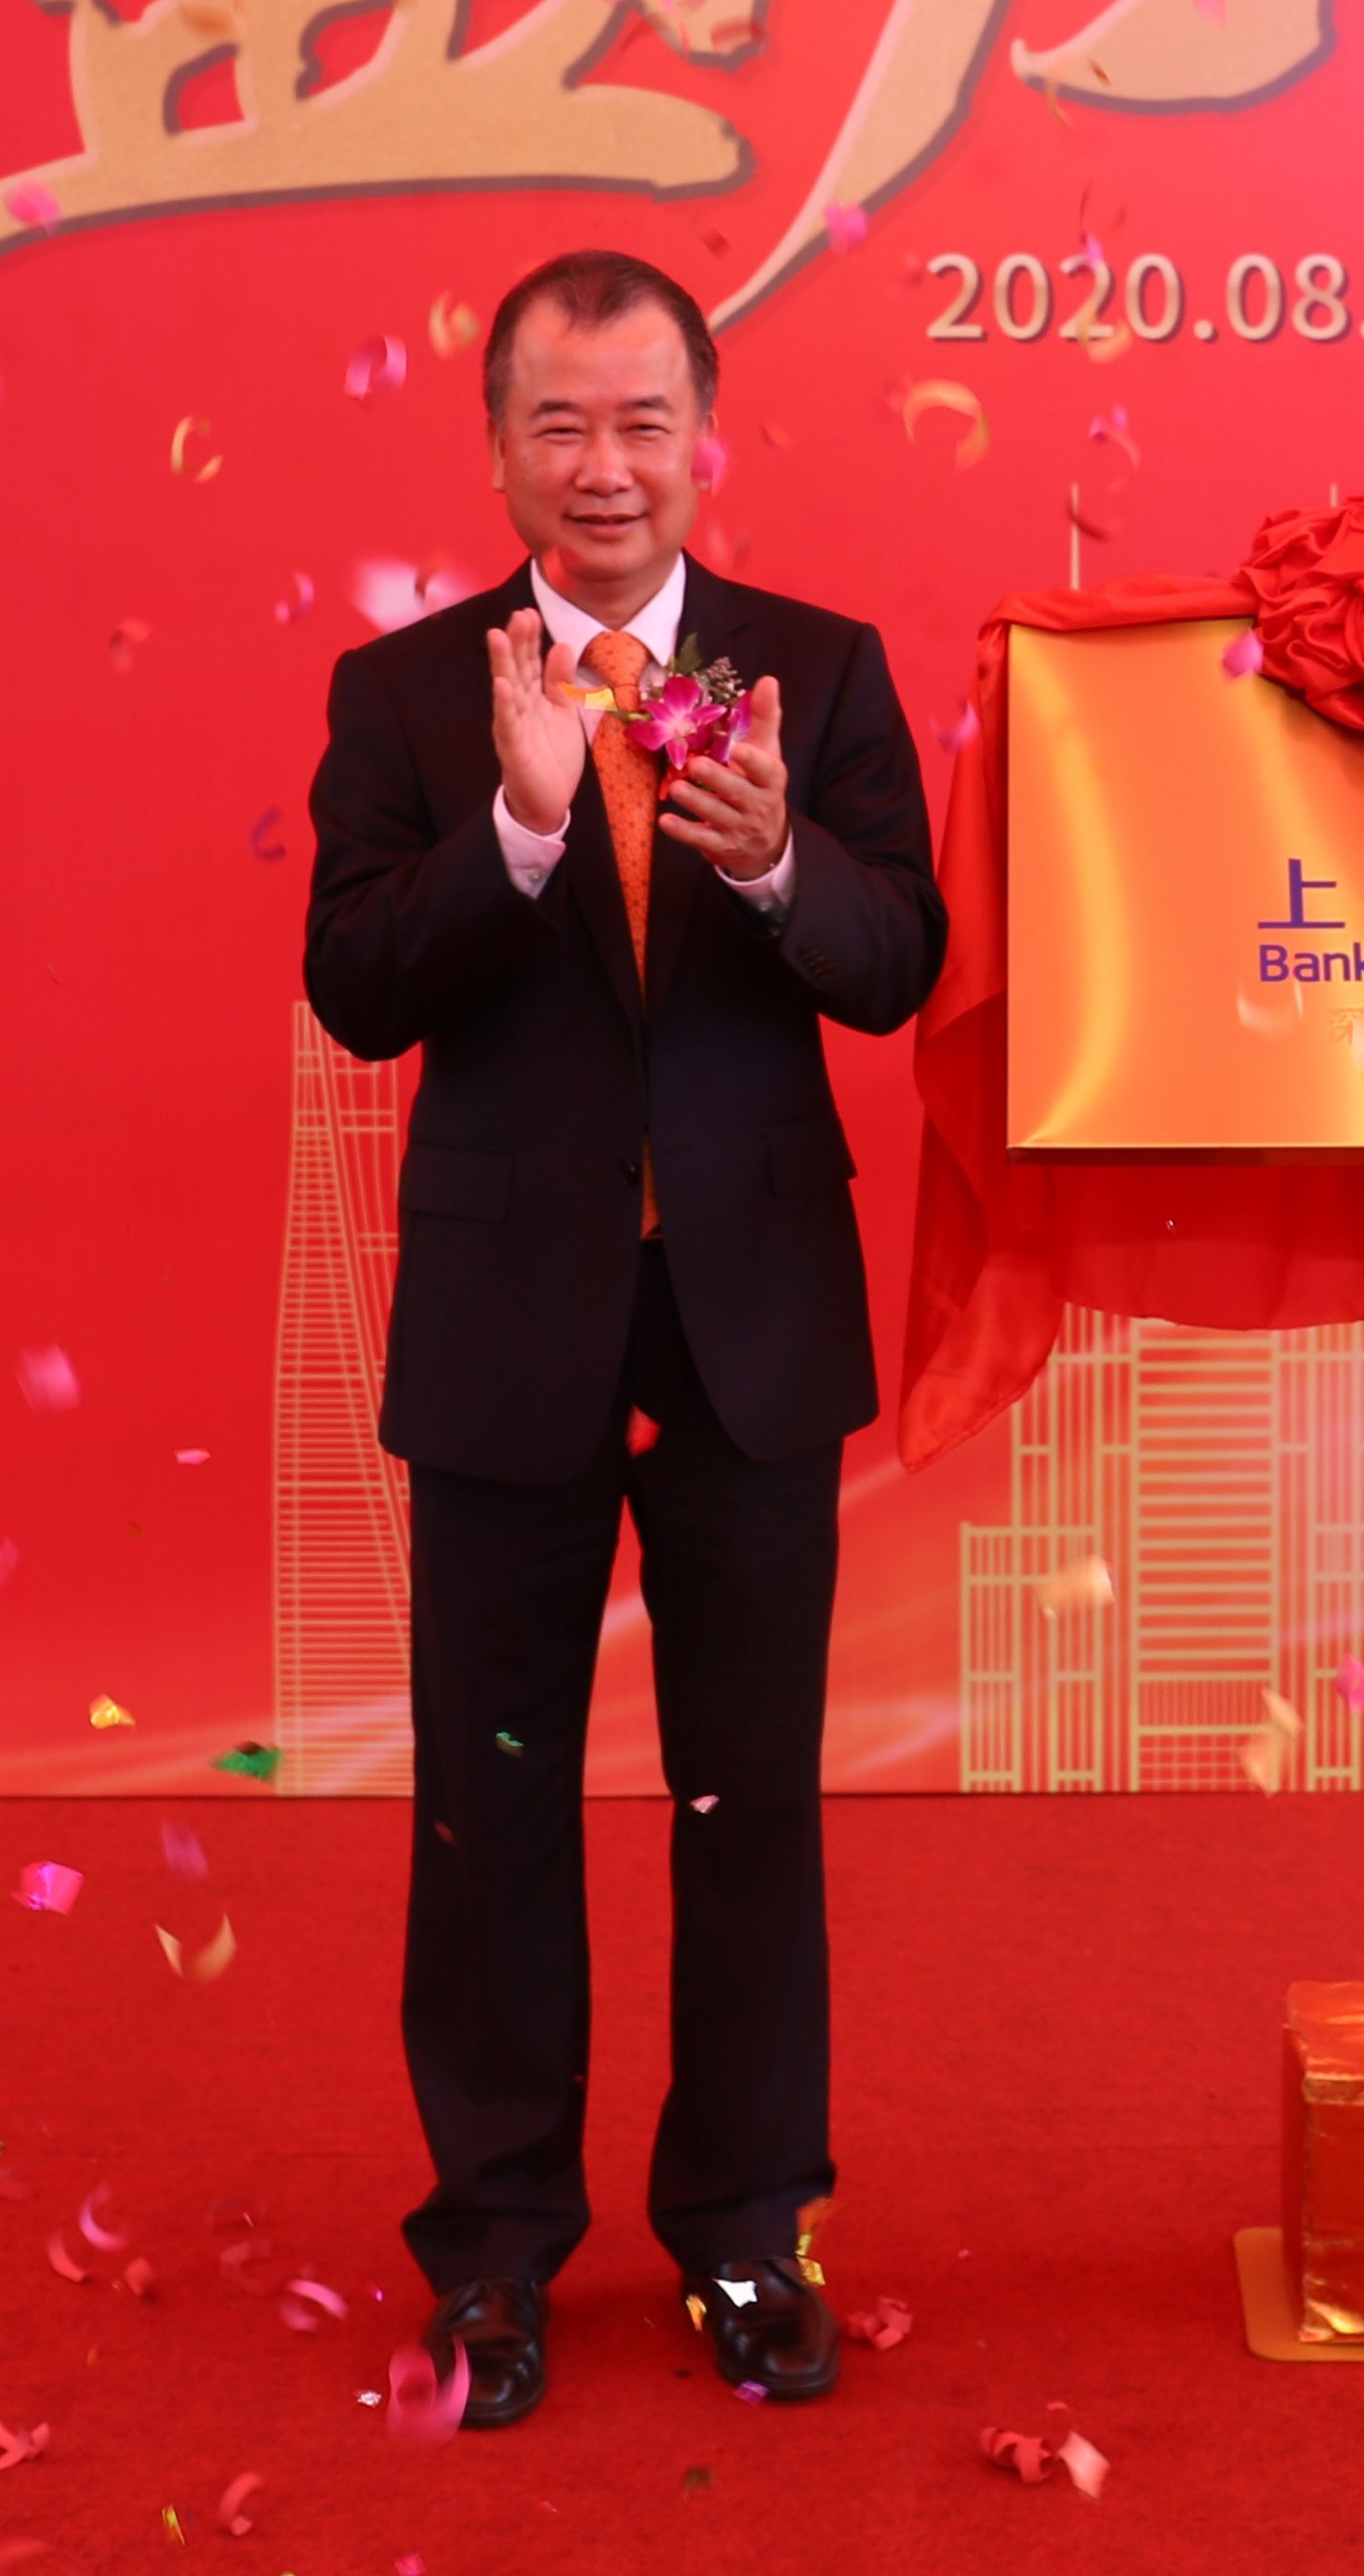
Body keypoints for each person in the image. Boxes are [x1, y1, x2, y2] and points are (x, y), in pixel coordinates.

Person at [302, 249, 947, 2430]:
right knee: (491, 1804)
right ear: (499, 448)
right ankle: (495, 2254)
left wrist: (775, 865)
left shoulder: (815, 676)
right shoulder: (409, 695)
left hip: (749, 1318)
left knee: (748, 1798)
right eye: (560, 424)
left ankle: (749, 2232)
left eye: (642, 421)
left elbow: (900, 957)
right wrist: (515, 828)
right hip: (512, 1322)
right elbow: (357, 987)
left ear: (706, 439)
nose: (604, 466)